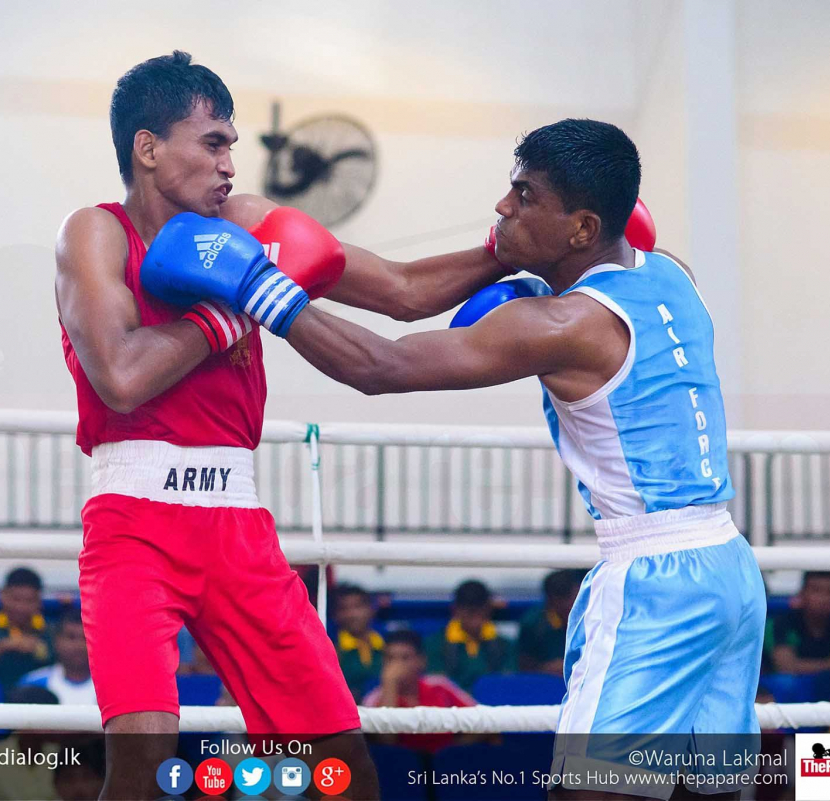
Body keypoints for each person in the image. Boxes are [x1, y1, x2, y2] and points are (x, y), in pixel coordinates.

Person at [144, 118, 766, 798]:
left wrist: (258, 287)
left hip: (655, 580)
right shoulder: (675, 274)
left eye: (525, 196)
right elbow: (418, 293)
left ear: (583, 228)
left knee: (591, 788)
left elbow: (381, 366)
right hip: (732, 570)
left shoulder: (563, 325)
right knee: (708, 788)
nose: (503, 206)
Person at [56, 51, 508, 800]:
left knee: (343, 770)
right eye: (213, 143)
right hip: (134, 525)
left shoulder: (246, 222)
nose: (229, 164)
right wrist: (237, 306)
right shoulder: (95, 232)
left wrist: (505, 250)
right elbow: (123, 378)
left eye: (231, 145)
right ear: (148, 148)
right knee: (141, 771)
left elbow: (401, 292)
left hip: (237, 524)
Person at [363, 629, 476, 754]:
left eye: (405, 658)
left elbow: (480, 721)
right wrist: (390, 685)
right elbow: (387, 741)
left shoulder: (440, 685)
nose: (397, 666)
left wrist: (453, 751)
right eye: (391, 659)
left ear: (421, 661)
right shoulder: (374, 699)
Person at [424, 579, 515, 691]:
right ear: (455, 610)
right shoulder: (434, 645)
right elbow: (437, 685)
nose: (475, 617)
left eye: (480, 610)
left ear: (489, 609)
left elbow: (507, 684)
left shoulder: (505, 646)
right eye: (469, 611)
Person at [0, 567, 53, 689]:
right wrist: (2, 647)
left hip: (39, 696)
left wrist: (41, 650)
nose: (21, 607)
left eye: (29, 601)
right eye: (16, 599)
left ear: (39, 601)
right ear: (2, 596)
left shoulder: (52, 631)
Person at [772, 570, 830, 675]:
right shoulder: (783, 622)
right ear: (802, 594)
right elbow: (786, 667)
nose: (824, 598)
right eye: (816, 591)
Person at [20, 607, 96, 705]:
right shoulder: (32, 684)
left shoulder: (111, 686)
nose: (79, 645)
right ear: (56, 641)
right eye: (71, 637)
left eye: (85, 638)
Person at [519, 569, 587, 674]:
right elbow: (523, 666)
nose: (573, 604)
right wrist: (544, 669)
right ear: (552, 600)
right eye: (572, 598)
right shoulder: (533, 624)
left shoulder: (592, 618)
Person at [332, 584, 384, 702]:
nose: (352, 614)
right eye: (344, 608)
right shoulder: (330, 650)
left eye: (358, 606)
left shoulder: (388, 646)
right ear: (335, 615)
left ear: (371, 609)